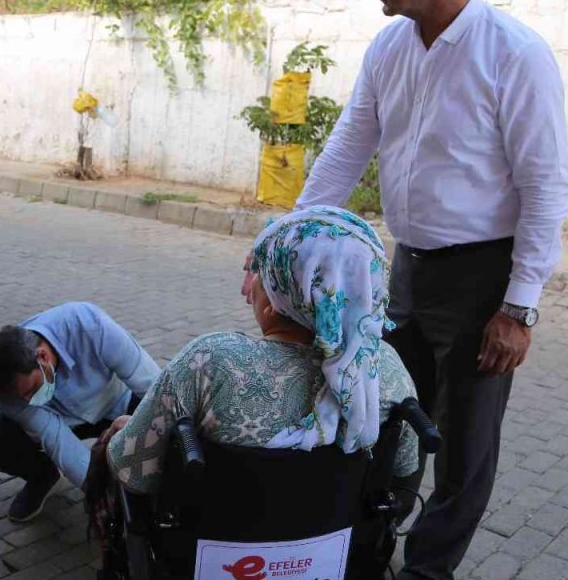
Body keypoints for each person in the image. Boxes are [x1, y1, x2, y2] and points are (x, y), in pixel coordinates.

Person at [289, 0, 568, 577]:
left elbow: (546, 187)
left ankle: (427, 571)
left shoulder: (514, 54)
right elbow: (345, 150)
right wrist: (287, 240)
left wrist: (519, 308)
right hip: (408, 270)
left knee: (464, 448)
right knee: (385, 419)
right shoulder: (389, 48)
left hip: (483, 284)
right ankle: (369, 546)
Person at [106, 206, 419, 495]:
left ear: (274, 303)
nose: (248, 289)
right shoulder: (386, 369)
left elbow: (133, 474)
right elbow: (404, 472)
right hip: (339, 547)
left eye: (258, 274)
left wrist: (121, 433)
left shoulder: (211, 361)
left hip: (212, 547)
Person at [0, 302, 160, 522]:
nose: (27, 402)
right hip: (66, 421)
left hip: (118, 403)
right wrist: (100, 494)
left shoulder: (90, 327)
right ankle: (44, 476)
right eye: (19, 398)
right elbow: (56, 438)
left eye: (31, 390)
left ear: (42, 357)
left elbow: (154, 387)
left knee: (160, 420)